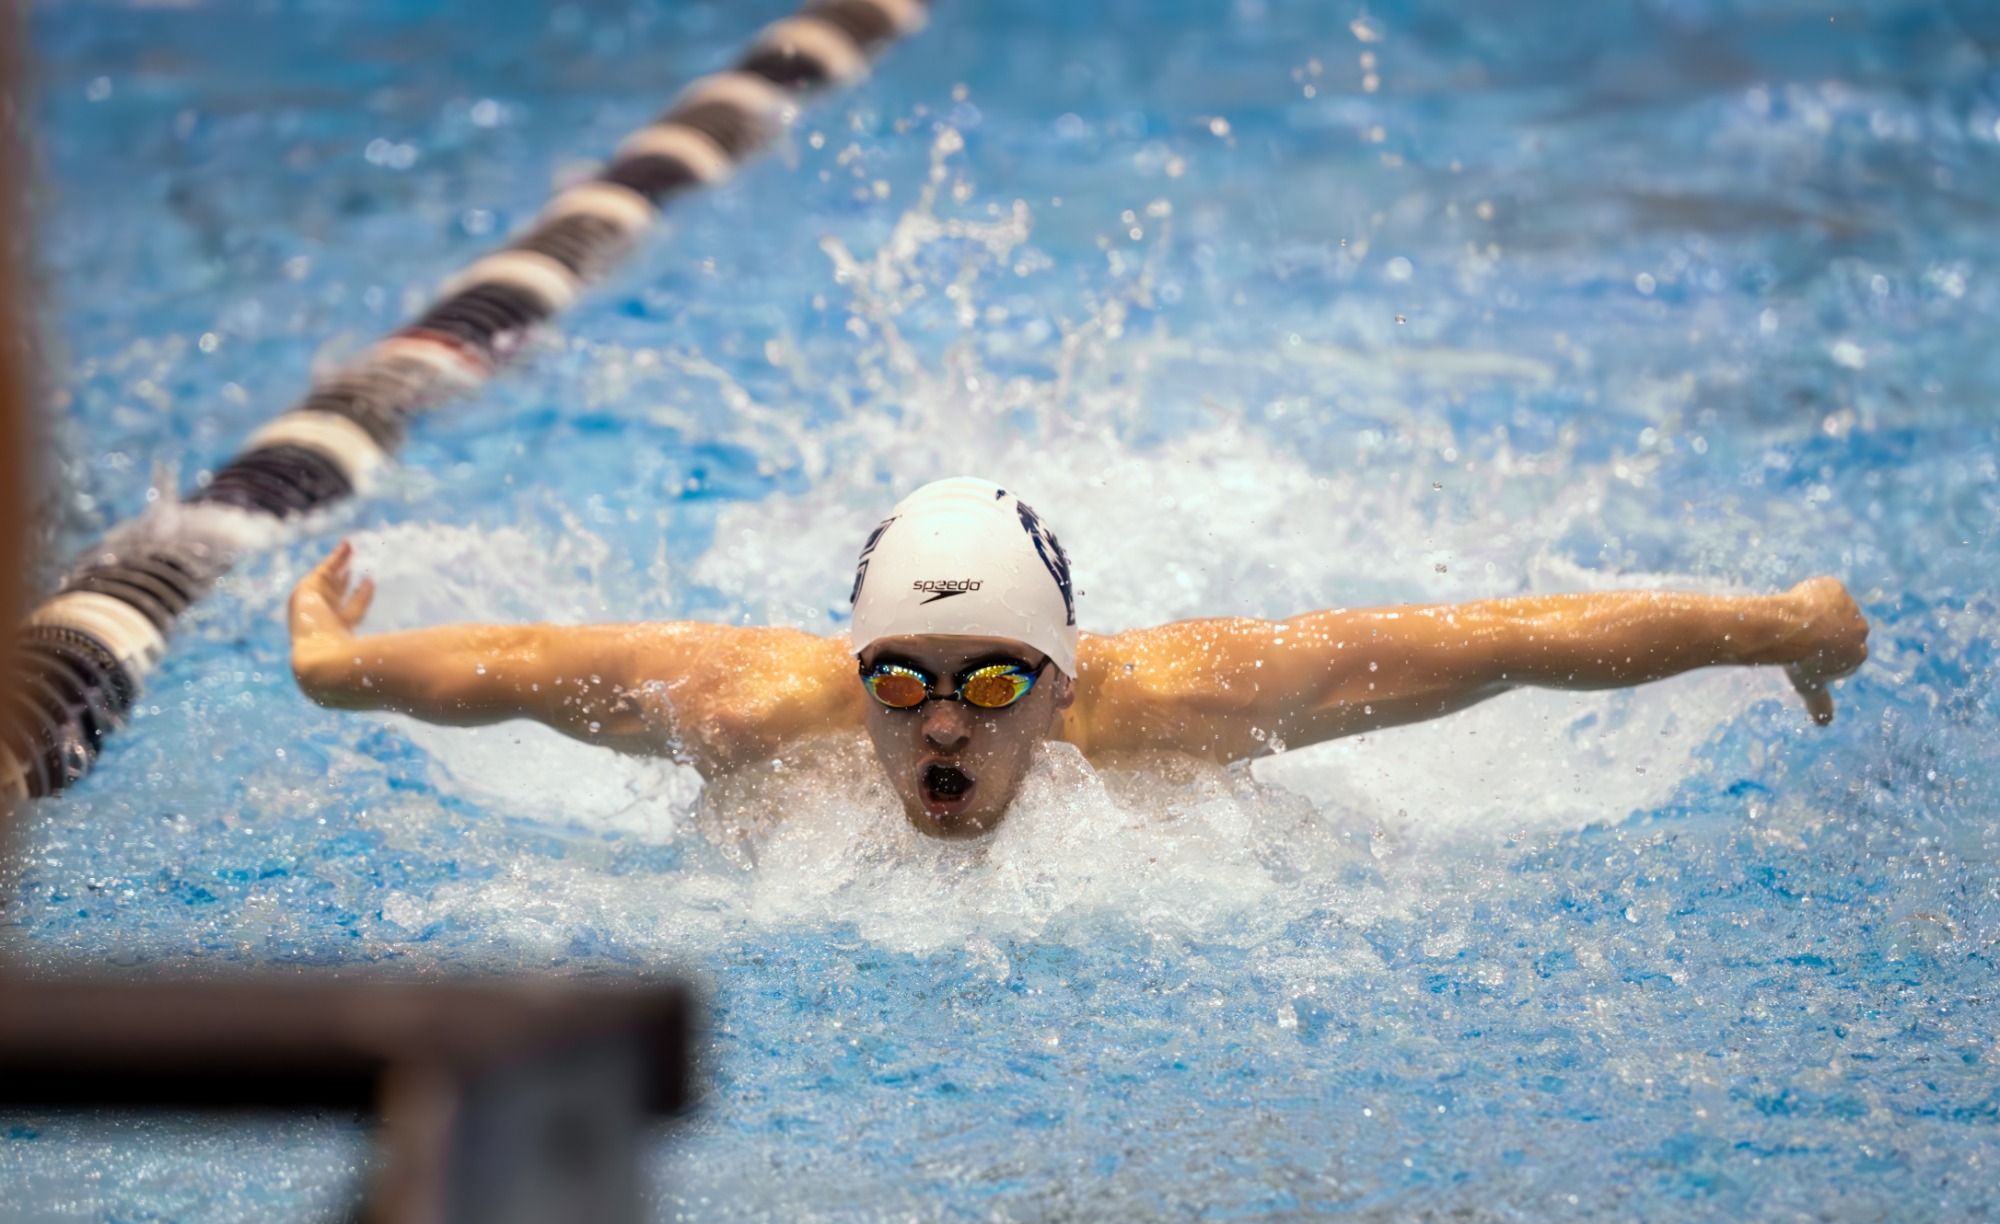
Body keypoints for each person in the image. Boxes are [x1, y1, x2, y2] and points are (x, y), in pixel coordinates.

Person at [288, 477, 1869, 837]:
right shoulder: (756, 711)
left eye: (990, 679)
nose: (936, 724)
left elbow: (1501, 644)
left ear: (1059, 677)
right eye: (900, 677)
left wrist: (1783, 623)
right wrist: (331, 667)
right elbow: (509, 665)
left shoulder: (1176, 704)